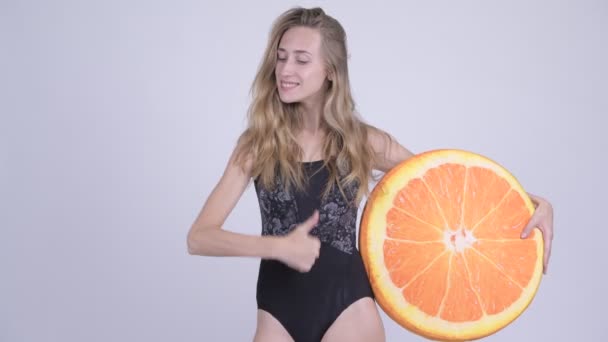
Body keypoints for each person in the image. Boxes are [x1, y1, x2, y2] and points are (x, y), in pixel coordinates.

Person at [187, 7, 554, 342]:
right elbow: (199, 238)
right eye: (281, 58)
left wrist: (536, 202)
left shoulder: (362, 143)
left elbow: (448, 187)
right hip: (277, 309)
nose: (285, 71)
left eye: (301, 60)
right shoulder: (257, 146)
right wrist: (276, 247)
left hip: (349, 308)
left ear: (330, 71)